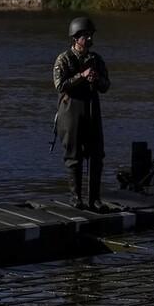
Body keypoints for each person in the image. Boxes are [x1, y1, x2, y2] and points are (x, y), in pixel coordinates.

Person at [52, 16, 110, 210]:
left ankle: (95, 199)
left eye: (91, 35)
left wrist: (96, 78)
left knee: (96, 155)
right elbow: (60, 85)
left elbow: (106, 86)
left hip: (93, 109)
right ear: (75, 38)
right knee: (73, 155)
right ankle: (76, 197)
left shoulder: (96, 59)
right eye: (86, 36)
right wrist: (81, 76)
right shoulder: (64, 59)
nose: (90, 39)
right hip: (71, 111)